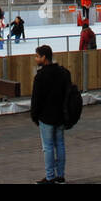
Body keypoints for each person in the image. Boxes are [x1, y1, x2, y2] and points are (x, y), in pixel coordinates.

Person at [30, 44, 72, 183]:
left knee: (48, 147)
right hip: (60, 115)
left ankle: (50, 176)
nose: (36, 59)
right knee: (60, 144)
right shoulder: (63, 73)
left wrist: (34, 116)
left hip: (46, 117)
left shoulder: (40, 76)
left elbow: (36, 99)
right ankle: (60, 176)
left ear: (44, 57)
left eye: (37, 56)